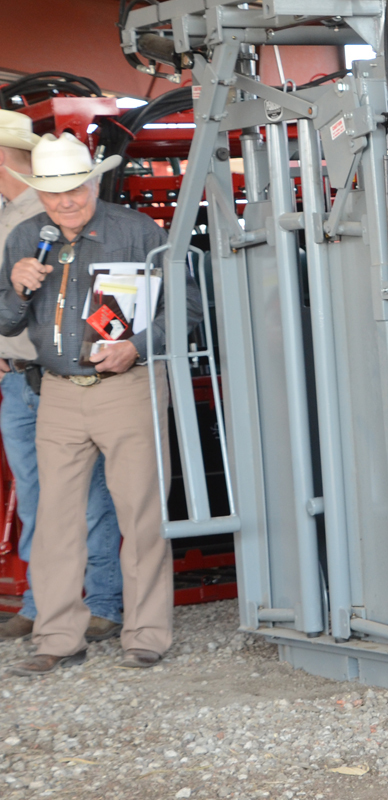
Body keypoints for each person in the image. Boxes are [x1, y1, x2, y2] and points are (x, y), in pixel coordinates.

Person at [0, 132, 198, 675]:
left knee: (140, 514)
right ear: (38, 193)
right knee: (56, 519)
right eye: (52, 193)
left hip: (127, 388)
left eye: (75, 189)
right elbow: (5, 323)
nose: (65, 202)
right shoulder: (24, 238)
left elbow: (187, 310)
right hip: (58, 392)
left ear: (93, 181)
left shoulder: (136, 232)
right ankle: (59, 637)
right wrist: (15, 288)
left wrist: (135, 347)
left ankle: (146, 634)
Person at [0, 111, 125, 644]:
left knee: (85, 494)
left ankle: (102, 601)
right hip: (19, 376)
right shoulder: (14, 216)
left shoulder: (39, 220)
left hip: (56, 377)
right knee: (36, 495)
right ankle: (43, 599)